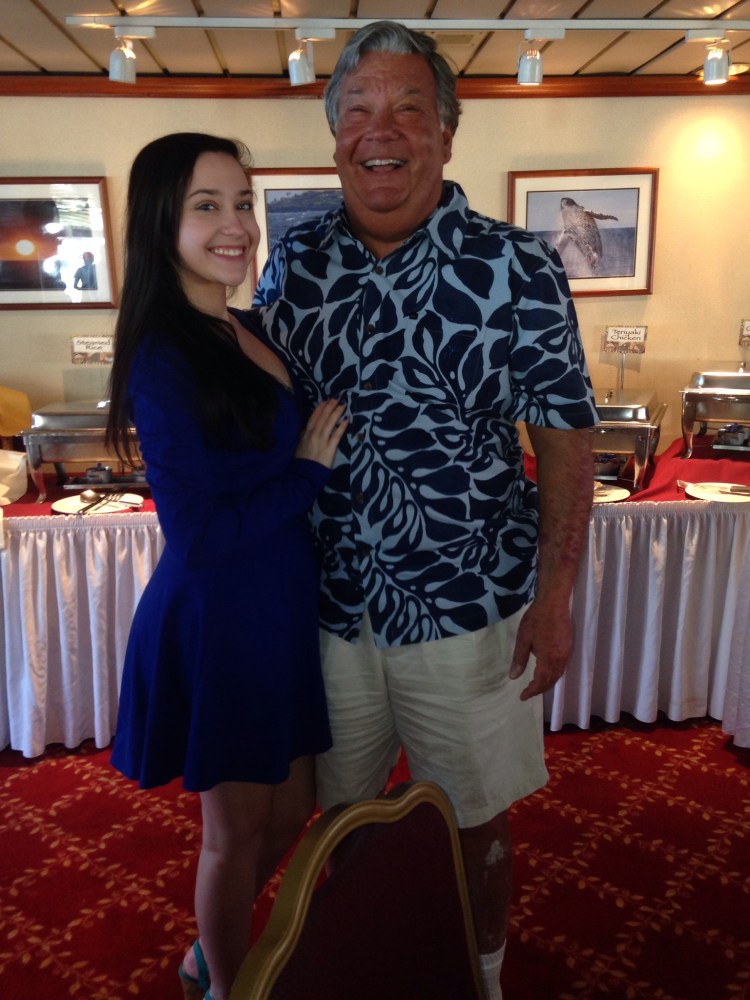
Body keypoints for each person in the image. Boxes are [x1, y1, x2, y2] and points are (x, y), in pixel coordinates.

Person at [253, 21, 597, 1000]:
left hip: (469, 608)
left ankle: (480, 979)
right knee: (339, 820)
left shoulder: (517, 268)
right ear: (335, 139)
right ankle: (361, 965)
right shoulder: (295, 267)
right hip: (332, 611)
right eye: (359, 110)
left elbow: (565, 438)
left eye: (409, 108)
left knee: (476, 819)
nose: (382, 130)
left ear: (447, 133)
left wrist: (556, 595)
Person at [106, 132, 347, 1000]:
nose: (236, 225)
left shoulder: (242, 325)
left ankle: (213, 948)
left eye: (242, 203)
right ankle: (226, 983)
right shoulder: (164, 353)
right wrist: (307, 474)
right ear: (161, 223)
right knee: (234, 831)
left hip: (277, 603)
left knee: (291, 809)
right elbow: (198, 534)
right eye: (206, 206)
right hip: (222, 613)